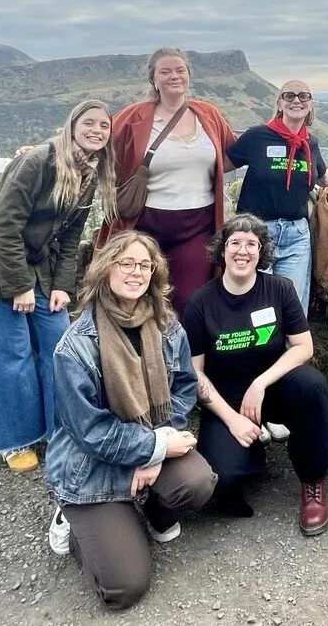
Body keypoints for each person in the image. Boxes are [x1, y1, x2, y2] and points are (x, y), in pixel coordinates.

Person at [45, 231, 216, 610]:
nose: (136, 272)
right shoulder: (75, 347)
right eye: (126, 263)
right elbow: (90, 431)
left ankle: (151, 509)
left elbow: (185, 385)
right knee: (125, 588)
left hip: (150, 439)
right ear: (106, 269)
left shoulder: (166, 324)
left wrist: (156, 443)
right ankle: (72, 521)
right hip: (91, 470)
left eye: (144, 265)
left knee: (198, 482)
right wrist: (154, 448)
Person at [0, 100, 116, 473]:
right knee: (9, 355)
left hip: (34, 264)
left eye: (104, 126)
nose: (96, 130)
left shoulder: (90, 172)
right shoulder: (38, 162)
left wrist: (62, 286)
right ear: (72, 125)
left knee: (59, 344)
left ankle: (56, 428)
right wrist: (18, 287)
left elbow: (72, 236)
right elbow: (3, 226)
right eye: (89, 123)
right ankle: (14, 441)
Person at [183, 214, 328, 536]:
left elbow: (303, 347)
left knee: (312, 386)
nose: (243, 251)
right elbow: (195, 373)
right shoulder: (201, 302)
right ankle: (249, 446)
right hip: (226, 398)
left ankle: (312, 479)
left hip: (273, 385)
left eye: (251, 244)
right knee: (223, 480)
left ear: (262, 252)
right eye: (235, 243)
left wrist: (261, 382)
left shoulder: (279, 289)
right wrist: (232, 419)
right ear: (222, 250)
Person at [98, 47, 236, 316]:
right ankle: (140, 355)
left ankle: (181, 357)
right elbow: (96, 142)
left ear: (188, 75)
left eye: (180, 70)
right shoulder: (133, 117)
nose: (174, 76)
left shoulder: (208, 114)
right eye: (166, 71)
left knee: (189, 298)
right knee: (139, 296)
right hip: (145, 223)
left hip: (198, 224)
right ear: (154, 79)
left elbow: (231, 154)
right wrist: (49, 149)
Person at [225, 79, 328, 316]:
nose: (297, 100)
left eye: (303, 96)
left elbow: (322, 178)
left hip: (296, 236)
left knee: (291, 307)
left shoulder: (310, 143)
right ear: (279, 103)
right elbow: (222, 165)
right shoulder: (257, 136)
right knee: (256, 307)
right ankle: (260, 354)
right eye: (290, 95)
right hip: (257, 233)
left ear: (311, 104)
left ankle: (294, 352)